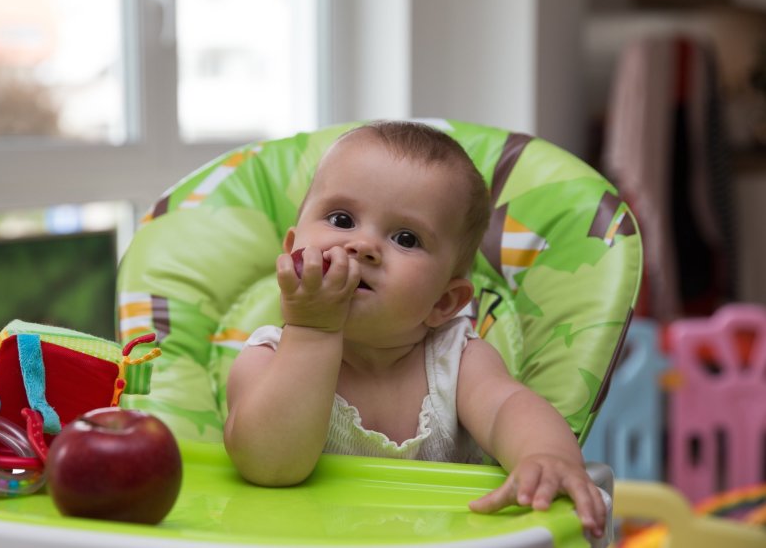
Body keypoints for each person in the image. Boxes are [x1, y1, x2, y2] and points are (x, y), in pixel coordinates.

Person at [223, 120, 606, 538]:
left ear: (443, 302)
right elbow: (271, 465)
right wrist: (313, 331)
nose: (363, 245)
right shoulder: (266, 359)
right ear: (293, 248)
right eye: (341, 218)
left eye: (405, 238)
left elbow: (509, 409)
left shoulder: (457, 361)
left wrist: (545, 455)